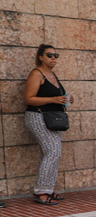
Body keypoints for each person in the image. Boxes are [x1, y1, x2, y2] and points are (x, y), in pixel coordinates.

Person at [24, 44, 74, 205]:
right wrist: (53, 100)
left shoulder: (53, 74)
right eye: (49, 55)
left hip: (53, 119)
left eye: (55, 55)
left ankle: (48, 189)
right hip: (38, 117)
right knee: (52, 152)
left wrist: (66, 100)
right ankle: (41, 192)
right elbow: (29, 98)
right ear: (40, 57)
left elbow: (57, 97)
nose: (53, 58)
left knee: (53, 153)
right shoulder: (36, 74)